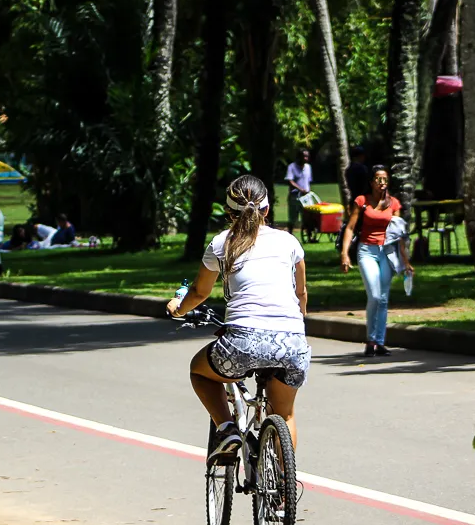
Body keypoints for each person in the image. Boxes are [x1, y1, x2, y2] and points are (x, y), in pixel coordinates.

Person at [166, 175, 310, 467]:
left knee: (200, 372)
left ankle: (226, 428)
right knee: (285, 414)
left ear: (229, 212)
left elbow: (198, 293)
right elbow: (301, 293)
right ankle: (284, 487)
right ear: (267, 210)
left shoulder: (221, 243)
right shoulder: (289, 242)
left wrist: (178, 308)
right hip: (292, 343)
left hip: (242, 343)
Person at [339, 166, 411, 357]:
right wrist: (345, 254)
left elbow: (398, 234)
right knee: (375, 296)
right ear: (371, 182)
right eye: (378, 179)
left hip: (387, 253)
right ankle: (370, 340)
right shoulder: (362, 201)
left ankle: (379, 342)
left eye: (385, 179)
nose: (382, 183)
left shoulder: (393, 204)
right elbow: (350, 228)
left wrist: (405, 261)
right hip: (367, 251)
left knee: (384, 298)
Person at [285, 148, 312, 235]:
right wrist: (301, 189)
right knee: (293, 218)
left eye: (307, 156)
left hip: (306, 197)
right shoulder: (292, 167)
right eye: (304, 156)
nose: (306, 158)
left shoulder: (308, 167)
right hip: (295, 196)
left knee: (308, 217)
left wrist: (308, 191)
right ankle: (290, 234)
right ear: (299, 157)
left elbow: (308, 181)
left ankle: (309, 236)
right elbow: (290, 181)